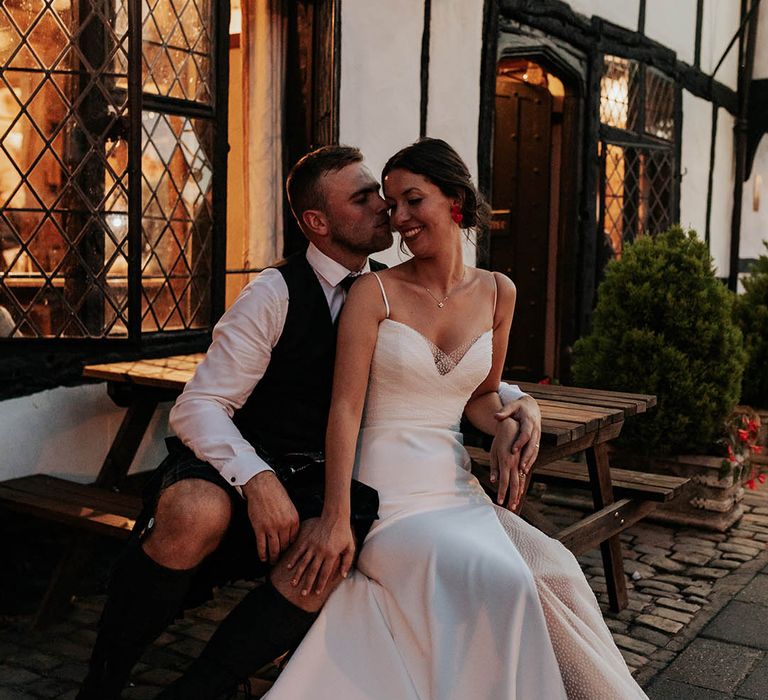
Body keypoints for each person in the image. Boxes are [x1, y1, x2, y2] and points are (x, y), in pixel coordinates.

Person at [76, 144, 541, 700]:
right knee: (196, 512)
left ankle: (200, 689)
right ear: (318, 222)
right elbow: (199, 406)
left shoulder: (388, 287)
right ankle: (103, 680)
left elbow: (433, 370)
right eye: (366, 198)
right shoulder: (271, 294)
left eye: (388, 197)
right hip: (245, 457)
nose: (386, 212)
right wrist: (256, 477)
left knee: (329, 552)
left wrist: (520, 401)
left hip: (322, 473)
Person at [262, 139, 648, 699]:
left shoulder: (498, 292)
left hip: (456, 493)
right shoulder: (374, 294)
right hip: (387, 501)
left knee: (558, 571)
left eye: (412, 200)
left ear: (456, 201)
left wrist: (518, 417)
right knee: (508, 582)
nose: (398, 219)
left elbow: (481, 396)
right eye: (391, 205)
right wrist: (337, 517)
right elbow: (344, 410)